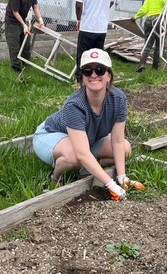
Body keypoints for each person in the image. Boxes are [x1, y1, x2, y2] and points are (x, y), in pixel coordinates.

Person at [32, 48, 144, 201]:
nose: (94, 75)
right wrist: (110, 184)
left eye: (100, 70)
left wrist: (122, 177)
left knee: (125, 148)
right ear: (82, 78)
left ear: (109, 76)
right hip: (51, 134)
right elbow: (82, 153)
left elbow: (117, 140)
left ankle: (84, 169)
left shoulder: (119, 99)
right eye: (87, 71)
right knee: (74, 157)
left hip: (87, 139)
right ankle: (56, 177)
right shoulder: (75, 105)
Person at [74, 0, 116, 80]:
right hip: (101, 27)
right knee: (97, 56)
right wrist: (102, 9)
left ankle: (81, 79)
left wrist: (79, 19)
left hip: (87, 26)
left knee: (83, 56)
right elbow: (111, 1)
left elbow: (79, 5)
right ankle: (97, 77)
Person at [4, 0, 44, 72]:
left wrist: (40, 19)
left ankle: (27, 65)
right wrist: (24, 25)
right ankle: (16, 68)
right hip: (12, 23)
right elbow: (15, 12)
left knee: (26, 45)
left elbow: (35, 6)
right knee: (15, 47)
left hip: (22, 21)